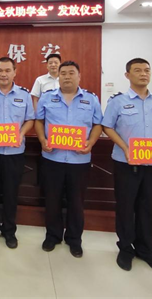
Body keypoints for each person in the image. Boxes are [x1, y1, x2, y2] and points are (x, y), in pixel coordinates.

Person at [102, 58, 152, 275]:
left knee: (148, 207)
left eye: (147, 70)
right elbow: (107, 127)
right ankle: (125, 249)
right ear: (127, 75)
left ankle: (146, 250)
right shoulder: (118, 101)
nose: (143, 74)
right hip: (126, 163)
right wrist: (125, 148)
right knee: (125, 207)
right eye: (138, 70)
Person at [34, 61, 103, 257]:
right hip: (52, 158)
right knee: (52, 200)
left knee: (76, 202)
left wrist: (90, 142)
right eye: (63, 73)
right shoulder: (47, 97)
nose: (66, 76)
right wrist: (42, 139)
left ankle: (74, 239)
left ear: (79, 76)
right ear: (58, 76)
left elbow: (98, 124)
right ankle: (53, 236)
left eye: (71, 73)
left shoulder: (91, 99)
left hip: (79, 161)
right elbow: (39, 121)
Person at [0, 56, 35, 249]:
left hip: (14, 153)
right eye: (0, 70)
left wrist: (21, 134)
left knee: (11, 194)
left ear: (14, 72)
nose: (4, 74)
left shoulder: (24, 95)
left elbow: (30, 119)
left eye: (8, 70)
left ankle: (9, 231)